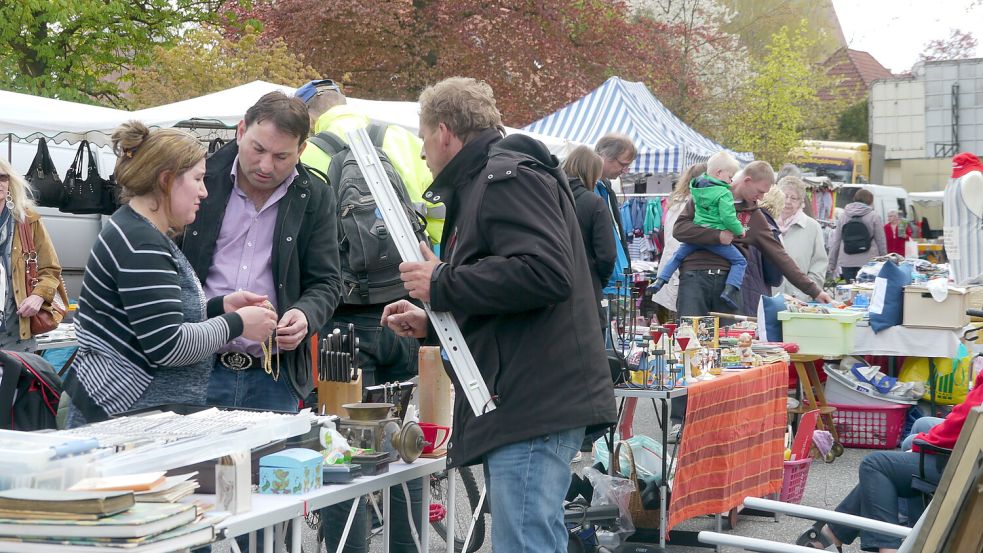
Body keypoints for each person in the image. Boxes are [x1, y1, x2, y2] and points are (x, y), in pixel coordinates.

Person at [381, 77, 616, 553]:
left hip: (533, 402)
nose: (423, 151)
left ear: (445, 132)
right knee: (533, 537)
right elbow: (521, 296)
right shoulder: (492, 179)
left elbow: (546, 274)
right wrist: (437, 325)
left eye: (424, 136)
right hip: (530, 397)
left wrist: (443, 282)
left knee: (524, 541)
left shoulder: (503, 177)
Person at [63, 122, 278, 425]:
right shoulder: (140, 243)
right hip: (123, 418)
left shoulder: (141, 233)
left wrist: (220, 306)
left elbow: (151, 321)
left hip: (136, 415)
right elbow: (169, 345)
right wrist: (237, 323)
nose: (204, 191)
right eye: (198, 179)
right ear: (166, 180)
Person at [295, 78, 429, 553]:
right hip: (407, 315)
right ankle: (407, 547)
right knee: (403, 447)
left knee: (343, 451)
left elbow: (300, 244)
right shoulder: (403, 140)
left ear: (309, 117)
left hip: (340, 325)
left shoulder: (308, 152)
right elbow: (436, 217)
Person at [181, 91, 342, 412]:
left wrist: (305, 315)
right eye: (258, 149)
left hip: (274, 376)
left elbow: (327, 282)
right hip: (195, 367)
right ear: (241, 132)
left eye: (281, 156)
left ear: (302, 151)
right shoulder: (197, 180)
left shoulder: (316, 197)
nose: (266, 166)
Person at [798, 369, 983, 552]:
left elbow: (959, 425)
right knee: (919, 426)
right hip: (971, 454)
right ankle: (837, 531)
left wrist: (921, 444)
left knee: (875, 465)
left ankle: (885, 546)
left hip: (966, 465)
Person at [672, 160, 833, 317]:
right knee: (689, 336)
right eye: (761, 191)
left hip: (728, 284)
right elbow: (679, 230)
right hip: (694, 277)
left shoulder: (755, 216)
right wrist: (717, 235)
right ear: (747, 180)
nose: (762, 198)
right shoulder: (707, 193)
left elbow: (780, 257)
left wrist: (815, 291)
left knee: (729, 341)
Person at [649, 152, 745, 309]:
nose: (731, 180)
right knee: (740, 261)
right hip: (713, 248)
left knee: (676, 257)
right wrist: (738, 230)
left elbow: (678, 232)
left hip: (691, 247)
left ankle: (660, 280)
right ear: (718, 173)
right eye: (730, 176)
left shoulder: (695, 194)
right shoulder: (723, 194)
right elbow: (728, 218)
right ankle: (729, 290)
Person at [0, 158, 64, 352]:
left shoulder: (27, 220)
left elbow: (51, 268)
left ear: (10, 182)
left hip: (17, 330)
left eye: (2, 177)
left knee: (17, 382)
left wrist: (38, 296)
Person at [563, 145, 616, 329]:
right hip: (587, 290)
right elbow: (607, 255)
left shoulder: (548, 196)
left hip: (553, 286)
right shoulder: (594, 203)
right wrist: (598, 280)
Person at [651, 162, 705, 321]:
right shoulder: (686, 205)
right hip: (677, 275)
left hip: (673, 273)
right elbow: (677, 242)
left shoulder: (677, 203)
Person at [774, 176, 828, 302]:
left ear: (801, 202)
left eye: (794, 198)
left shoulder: (812, 227)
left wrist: (805, 295)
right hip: (769, 298)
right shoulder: (765, 222)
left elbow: (819, 266)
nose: (788, 201)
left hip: (799, 301)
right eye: (784, 196)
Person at [594, 133, 636, 292]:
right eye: (623, 164)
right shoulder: (586, 189)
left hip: (615, 283)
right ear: (604, 156)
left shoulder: (604, 188)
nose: (624, 171)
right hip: (605, 286)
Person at [827, 188, 887, 283]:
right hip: (869, 262)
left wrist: (832, 264)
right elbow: (881, 241)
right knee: (867, 292)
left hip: (847, 261)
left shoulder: (843, 215)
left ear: (855, 198)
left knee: (851, 291)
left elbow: (836, 241)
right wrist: (884, 261)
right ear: (870, 201)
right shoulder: (874, 216)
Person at [943, 152, 983, 285]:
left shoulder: (951, 184)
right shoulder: (974, 177)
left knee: (963, 287)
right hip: (973, 247)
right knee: (975, 289)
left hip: (954, 245)